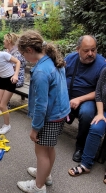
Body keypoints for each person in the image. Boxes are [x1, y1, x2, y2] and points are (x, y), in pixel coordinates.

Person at [16, 30, 70, 193]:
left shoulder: (41, 71)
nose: (24, 58)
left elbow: (41, 105)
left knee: (41, 152)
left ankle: (38, 186)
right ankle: (45, 175)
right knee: (49, 148)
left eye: (23, 54)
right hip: (60, 113)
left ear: (30, 50)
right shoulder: (51, 59)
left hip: (49, 117)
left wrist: (35, 128)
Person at [65, 35, 106, 162]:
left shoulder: (102, 65)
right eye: (86, 50)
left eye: (93, 50)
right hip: (67, 94)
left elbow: (101, 91)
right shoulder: (70, 58)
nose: (90, 53)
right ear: (78, 49)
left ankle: (80, 146)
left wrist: (80, 99)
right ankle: (48, 132)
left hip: (89, 99)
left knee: (87, 113)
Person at [68, 67, 106, 184]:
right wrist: (100, 113)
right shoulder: (104, 71)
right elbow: (98, 93)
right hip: (103, 109)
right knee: (96, 126)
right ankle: (86, 165)